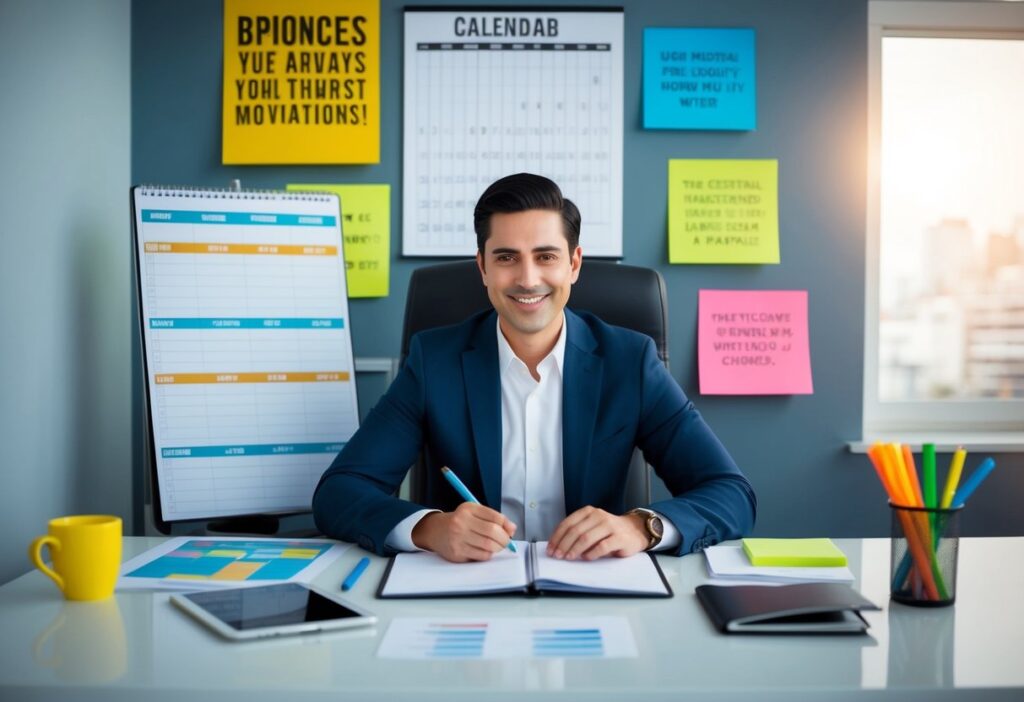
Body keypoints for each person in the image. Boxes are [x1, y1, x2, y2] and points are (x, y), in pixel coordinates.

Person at [313, 173, 755, 562]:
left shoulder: (630, 361)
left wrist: (642, 527)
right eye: (506, 257)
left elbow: (731, 493)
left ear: (574, 264)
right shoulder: (434, 361)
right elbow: (340, 492)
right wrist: (429, 529)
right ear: (482, 267)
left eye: (546, 256)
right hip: (465, 595)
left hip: (593, 591)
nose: (527, 278)